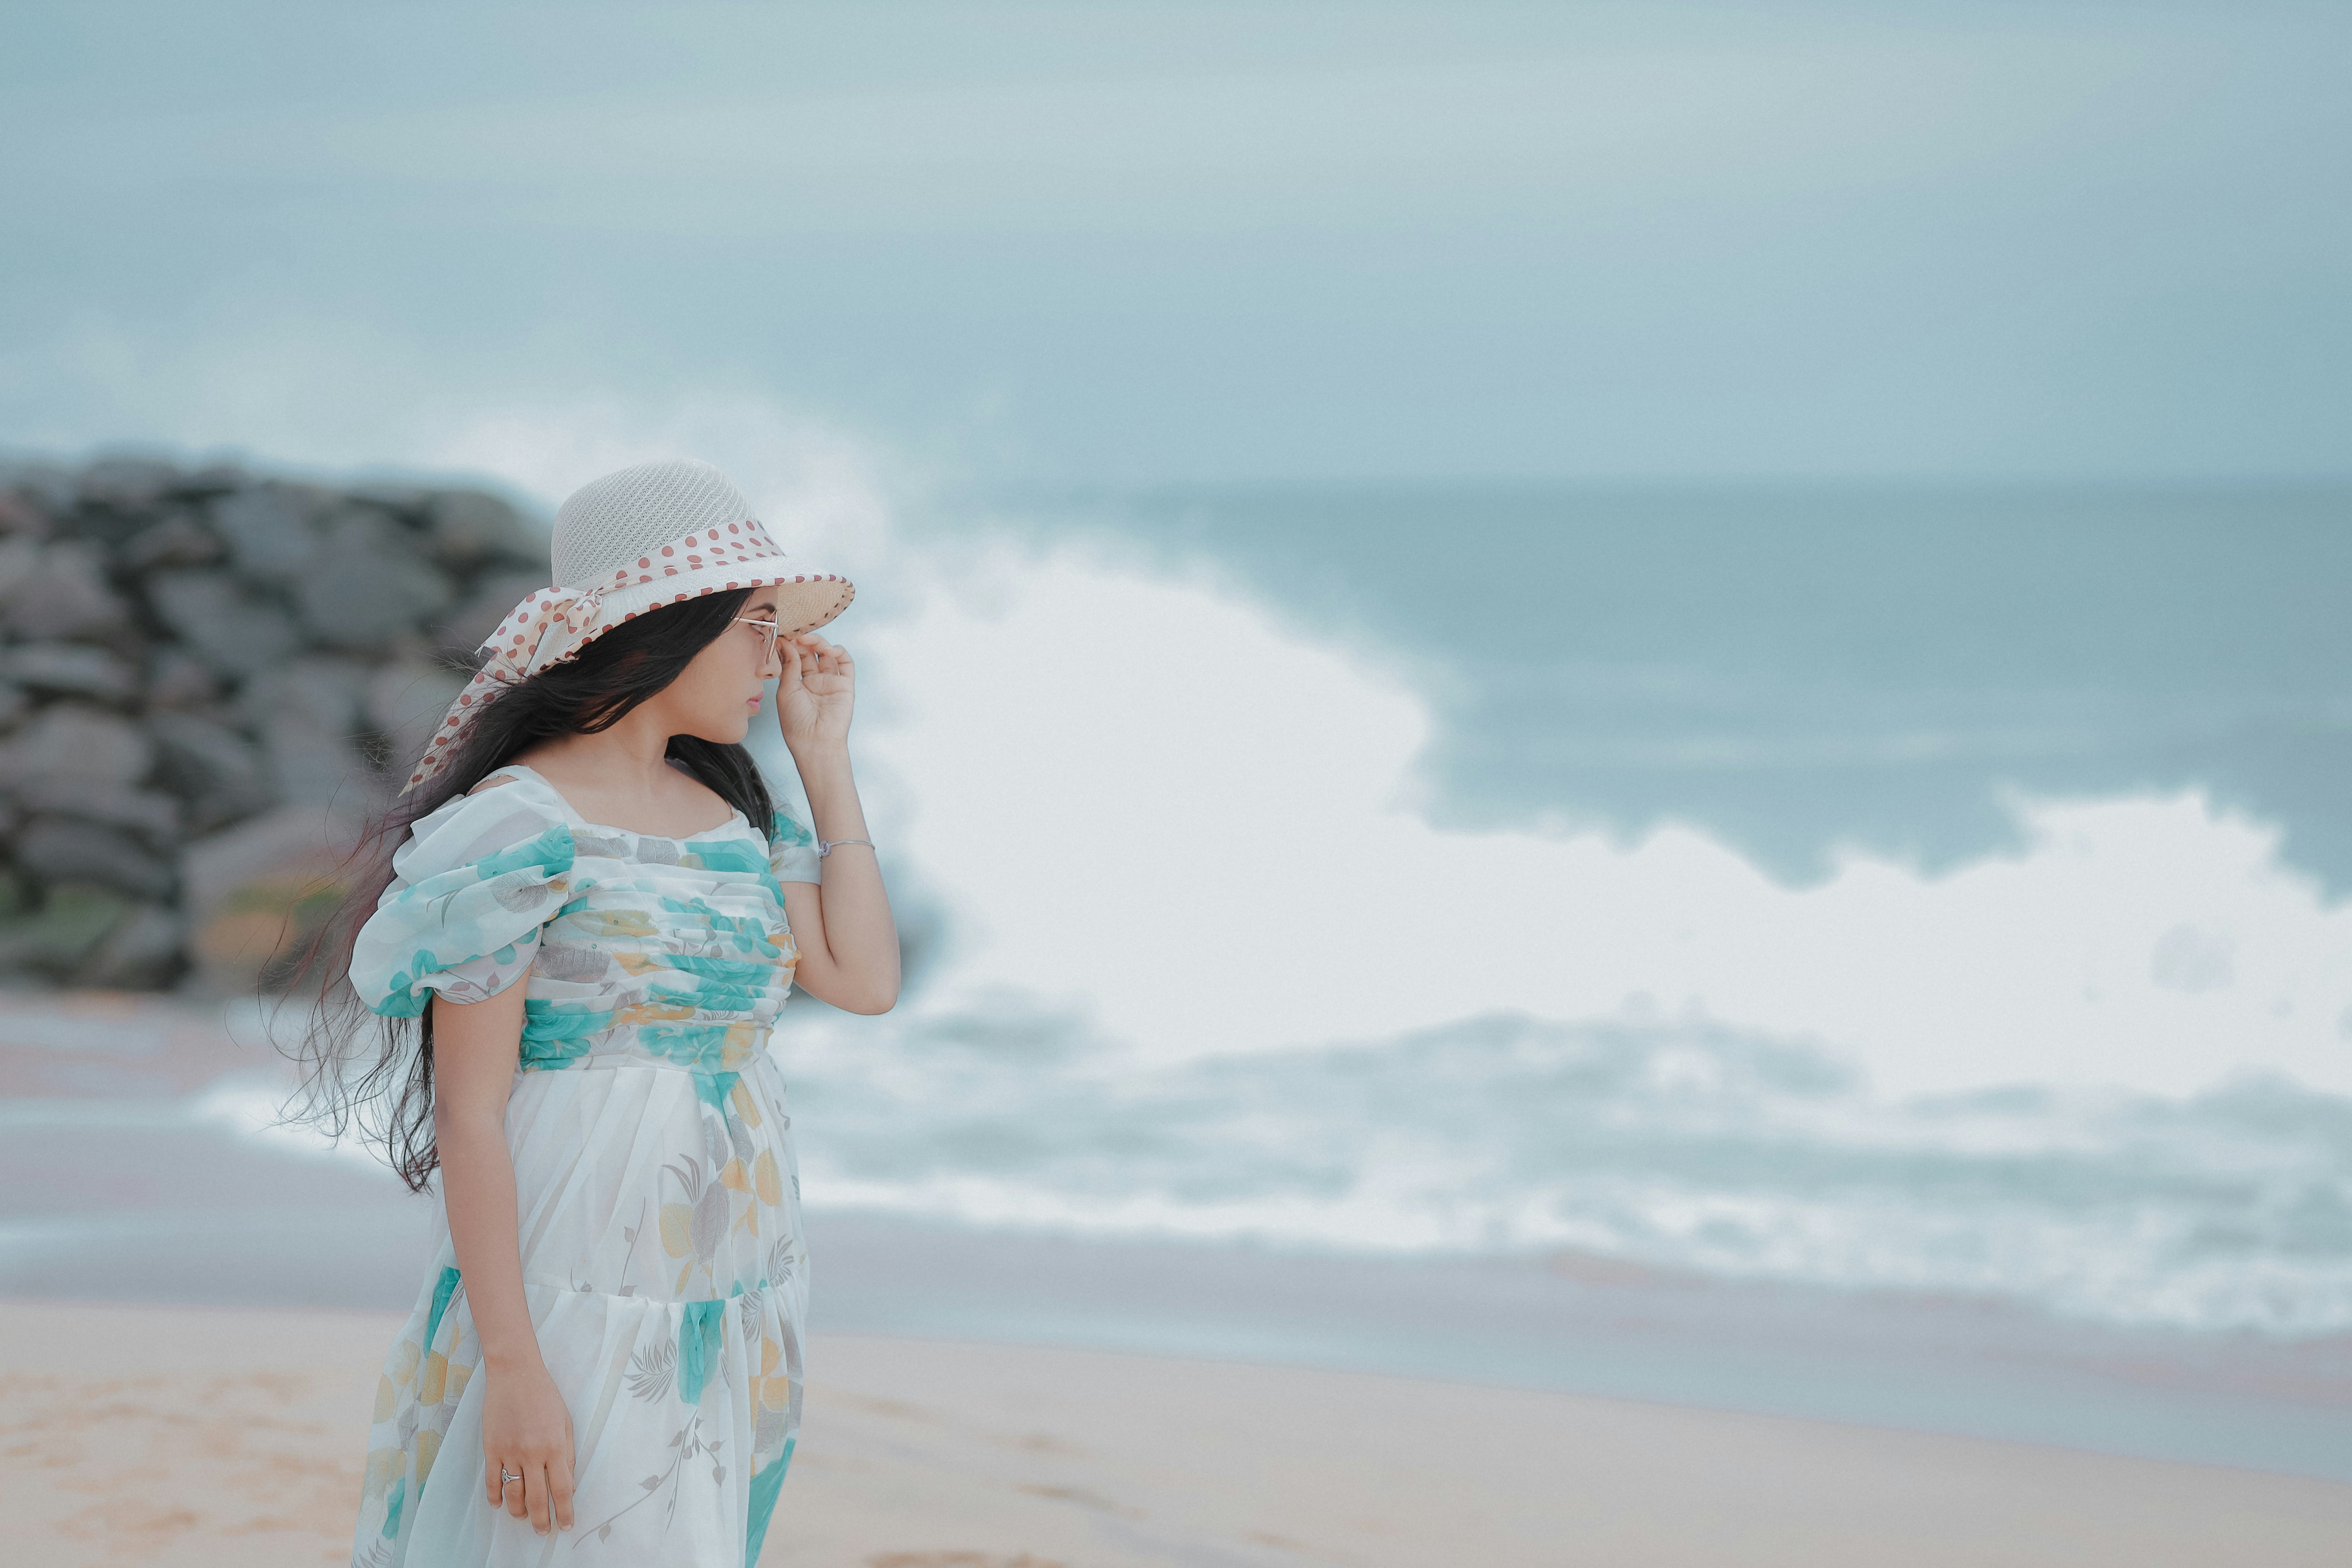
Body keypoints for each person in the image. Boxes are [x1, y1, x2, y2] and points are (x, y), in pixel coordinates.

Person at [303, 459, 898, 1567]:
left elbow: (863, 982)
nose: (775, 659)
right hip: (574, 1267)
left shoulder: (731, 816)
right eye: (755, 627)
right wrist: (516, 1367)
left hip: (731, 1259)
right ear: (665, 626)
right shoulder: (516, 829)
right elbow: (471, 1114)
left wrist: (824, 760)